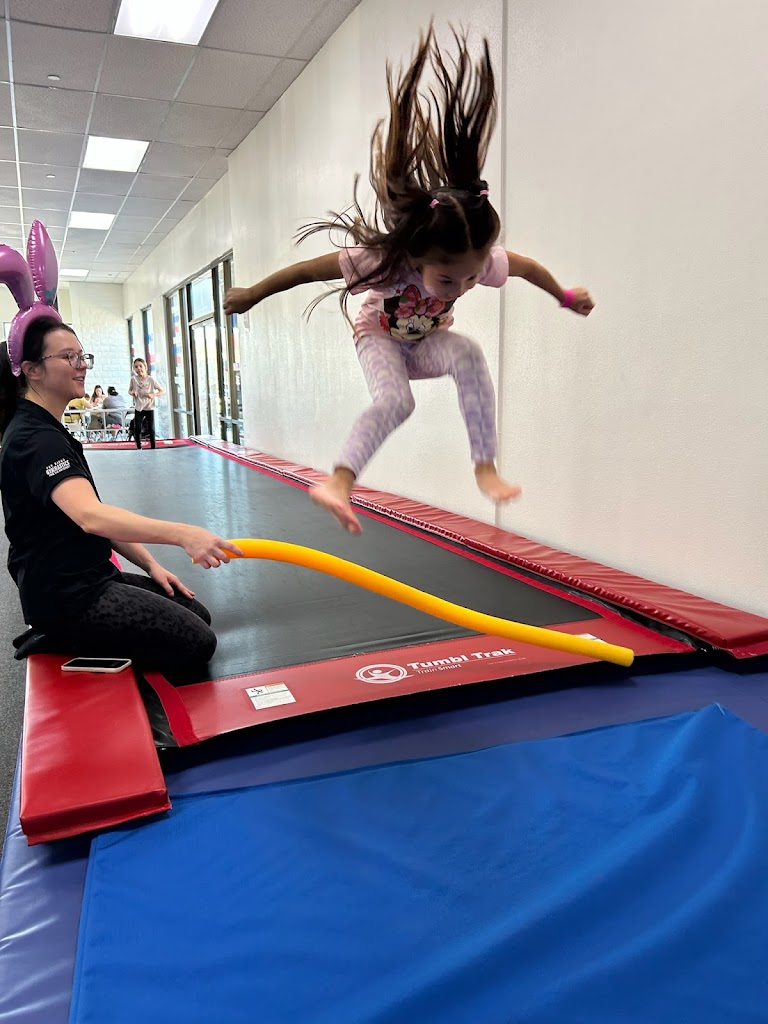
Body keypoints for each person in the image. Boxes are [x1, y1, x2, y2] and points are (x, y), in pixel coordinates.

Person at [225, 26, 594, 534]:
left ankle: (484, 467)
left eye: (469, 277)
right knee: (397, 402)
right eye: (449, 278)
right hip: (378, 336)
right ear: (419, 258)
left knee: (467, 353)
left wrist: (566, 296)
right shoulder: (383, 260)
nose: (463, 286)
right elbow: (307, 271)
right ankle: (339, 480)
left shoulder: (472, 261)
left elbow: (528, 269)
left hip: (424, 343)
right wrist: (251, 294)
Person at [0, 318, 242, 683]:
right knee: (197, 643)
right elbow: (91, 517)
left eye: (83, 356)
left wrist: (150, 565)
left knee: (196, 613)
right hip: (67, 598)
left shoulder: (49, 428)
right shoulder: (34, 438)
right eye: (69, 357)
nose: (82, 366)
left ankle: (75, 630)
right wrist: (183, 534)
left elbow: (98, 516)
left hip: (93, 576)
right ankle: (59, 634)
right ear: (32, 370)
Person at [128, 357, 164, 450]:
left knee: (151, 429)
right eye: (136, 367)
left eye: (140, 366)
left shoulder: (150, 380)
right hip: (139, 407)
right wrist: (133, 393)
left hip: (149, 407)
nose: (138, 368)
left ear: (145, 367)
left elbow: (161, 391)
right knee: (137, 428)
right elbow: (129, 390)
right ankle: (139, 447)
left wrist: (153, 394)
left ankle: (153, 447)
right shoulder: (133, 379)